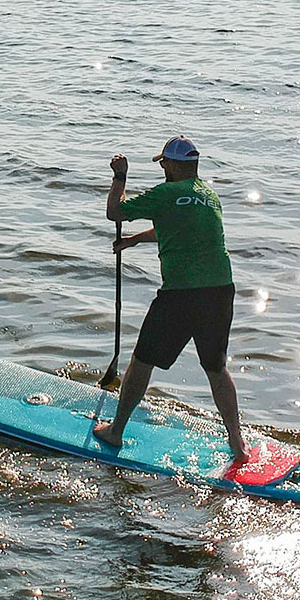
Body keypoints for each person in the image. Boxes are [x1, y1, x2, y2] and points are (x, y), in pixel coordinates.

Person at [93, 135, 248, 462]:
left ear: (174, 165)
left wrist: (120, 176)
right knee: (216, 367)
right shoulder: (209, 196)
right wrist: (135, 240)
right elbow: (177, 227)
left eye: (164, 162)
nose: (162, 168)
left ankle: (115, 431)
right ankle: (238, 442)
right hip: (220, 290)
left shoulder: (165, 193)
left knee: (142, 361)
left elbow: (114, 212)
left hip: (181, 293)